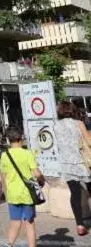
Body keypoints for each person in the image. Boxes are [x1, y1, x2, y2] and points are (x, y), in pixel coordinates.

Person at [0, 125, 44, 247]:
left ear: (8, 139)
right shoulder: (27, 154)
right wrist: (42, 179)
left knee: (15, 222)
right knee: (29, 223)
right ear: (21, 137)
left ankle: (9, 244)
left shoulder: (4, 155)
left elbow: (3, 177)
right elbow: (36, 173)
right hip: (27, 194)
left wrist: (6, 192)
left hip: (12, 194)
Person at [54, 100, 91, 236]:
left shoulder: (56, 126)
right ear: (72, 110)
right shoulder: (78, 124)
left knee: (75, 194)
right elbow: (88, 141)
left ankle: (80, 224)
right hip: (82, 163)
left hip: (66, 165)